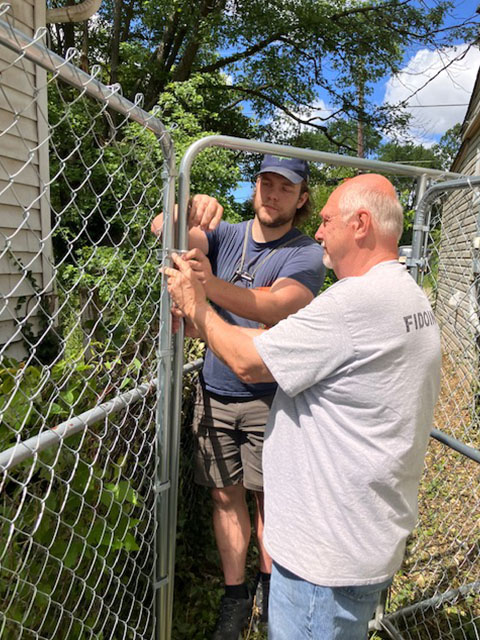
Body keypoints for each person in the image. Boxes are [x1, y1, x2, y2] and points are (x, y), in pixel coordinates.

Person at [164, 173, 442, 640]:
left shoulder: (355, 303)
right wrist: (203, 328)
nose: (318, 231)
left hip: (323, 559)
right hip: (359, 537)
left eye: (328, 219)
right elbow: (284, 344)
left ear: (360, 224)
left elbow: (252, 363)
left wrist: (198, 305)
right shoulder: (404, 294)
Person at [153, 155, 325, 638]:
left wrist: (202, 292)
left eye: (285, 188)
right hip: (214, 391)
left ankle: (271, 587)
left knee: (271, 499)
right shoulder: (226, 234)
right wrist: (188, 206)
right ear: (254, 188)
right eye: (265, 184)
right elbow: (161, 229)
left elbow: (273, 303)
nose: (272, 195)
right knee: (225, 497)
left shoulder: (305, 253)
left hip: (272, 398)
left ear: (302, 197)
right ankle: (235, 595)